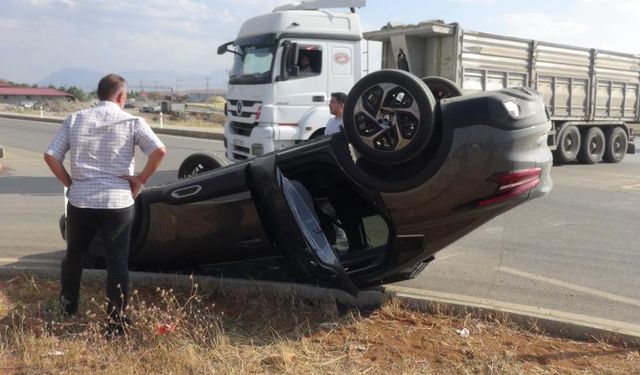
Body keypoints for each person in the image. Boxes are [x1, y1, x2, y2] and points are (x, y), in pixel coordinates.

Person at [44, 74, 166, 335]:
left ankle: (67, 305)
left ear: (98, 94)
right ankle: (115, 322)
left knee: (74, 256)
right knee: (117, 262)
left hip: (80, 201)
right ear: (121, 96)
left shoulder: (75, 119)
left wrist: (69, 182)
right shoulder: (133, 121)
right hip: (117, 202)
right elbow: (159, 151)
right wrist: (140, 180)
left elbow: (50, 155)